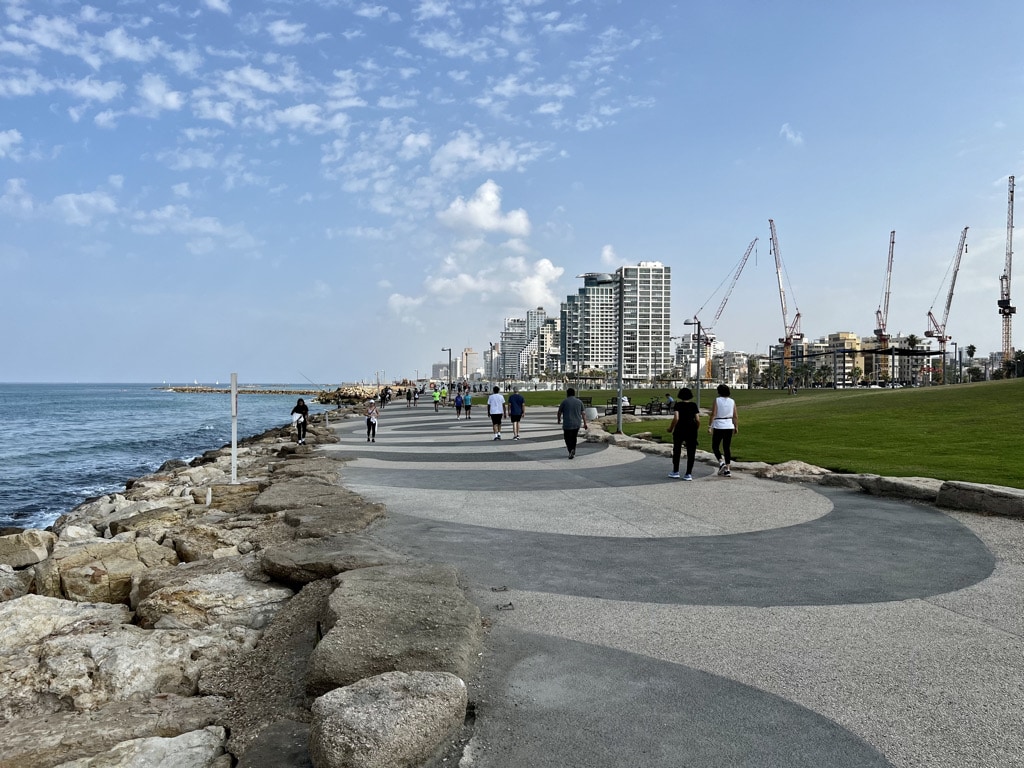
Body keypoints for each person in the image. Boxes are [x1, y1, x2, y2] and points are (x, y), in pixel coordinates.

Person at [668, 388, 700, 480]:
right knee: (691, 451)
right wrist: (696, 428)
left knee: (677, 450)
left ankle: (675, 471)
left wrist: (671, 428)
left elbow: (676, 418)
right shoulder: (693, 405)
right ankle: (688, 473)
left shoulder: (678, 405)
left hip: (680, 428)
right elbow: (697, 419)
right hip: (691, 428)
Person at [709, 383, 738, 476]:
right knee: (726, 447)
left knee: (715, 446)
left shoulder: (717, 400)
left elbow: (713, 414)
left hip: (719, 425)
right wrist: (736, 426)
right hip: (729, 425)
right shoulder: (732, 401)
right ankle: (728, 469)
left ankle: (721, 462)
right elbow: (735, 416)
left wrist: (710, 426)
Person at [557, 387, 588, 459]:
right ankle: (573, 450)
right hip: (577, 423)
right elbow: (583, 413)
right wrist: (585, 423)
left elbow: (559, 412)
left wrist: (559, 420)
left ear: (567, 394)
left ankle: (570, 450)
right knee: (574, 438)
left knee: (567, 438)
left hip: (567, 423)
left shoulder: (564, 401)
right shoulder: (579, 402)